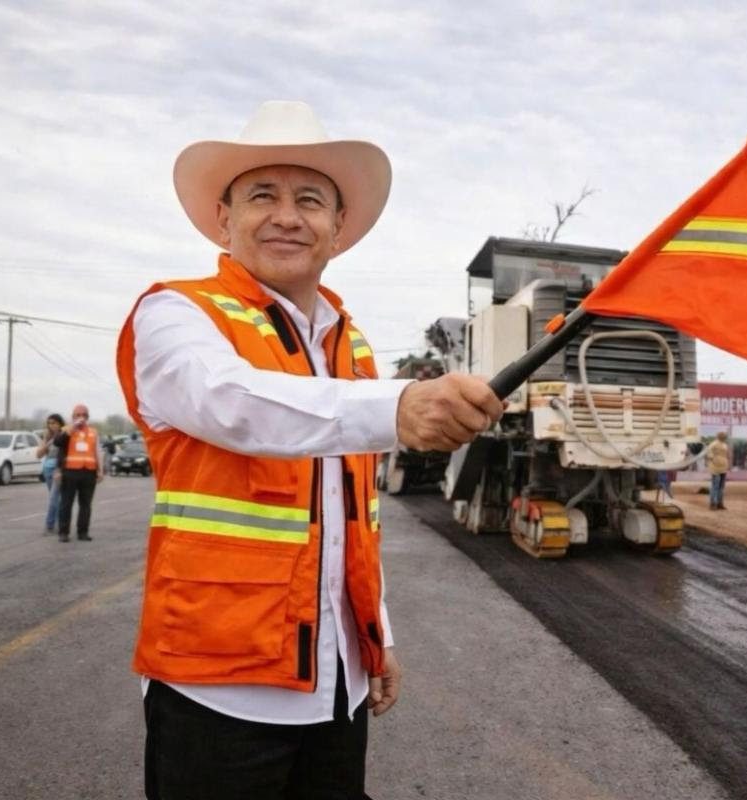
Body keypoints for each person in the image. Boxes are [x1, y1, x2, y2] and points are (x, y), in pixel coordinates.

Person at [118, 101, 504, 799]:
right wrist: (396, 405)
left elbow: (353, 518)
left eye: (310, 200)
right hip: (219, 691)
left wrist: (375, 634)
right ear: (223, 218)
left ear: (338, 228)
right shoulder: (176, 313)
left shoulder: (349, 348)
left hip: (337, 685)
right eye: (262, 194)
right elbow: (231, 402)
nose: (287, 216)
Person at [52, 404, 103, 542]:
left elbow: (98, 452)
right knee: (66, 503)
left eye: (84, 415)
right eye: (78, 415)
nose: (81, 417)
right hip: (70, 472)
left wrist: (100, 471)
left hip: (89, 472)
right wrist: (71, 429)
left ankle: (83, 532)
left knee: (86, 504)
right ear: (73, 416)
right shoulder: (66, 430)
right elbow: (57, 443)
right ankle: (63, 533)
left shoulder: (93, 432)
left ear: (88, 417)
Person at [35, 413, 65, 535]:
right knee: (55, 499)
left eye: (54, 423)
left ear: (60, 424)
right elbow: (38, 455)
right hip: (47, 468)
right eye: (49, 423)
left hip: (58, 469)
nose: (51, 425)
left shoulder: (64, 435)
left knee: (54, 498)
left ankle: (49, 525)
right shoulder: (47, 436)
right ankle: (60, 523)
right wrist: (47, 443)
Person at [706, 431, 730, 510]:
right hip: (715, 468)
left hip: (723, 468)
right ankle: (713, 504)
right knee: (715, 486)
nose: (724, 436)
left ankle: (720, 503)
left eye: (724, 435)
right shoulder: (713, 444)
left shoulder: (725, 445)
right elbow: (709, 454)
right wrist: (715, 460)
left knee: (721, 487)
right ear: (719, 436)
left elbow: (727, 455)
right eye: (723, 435)